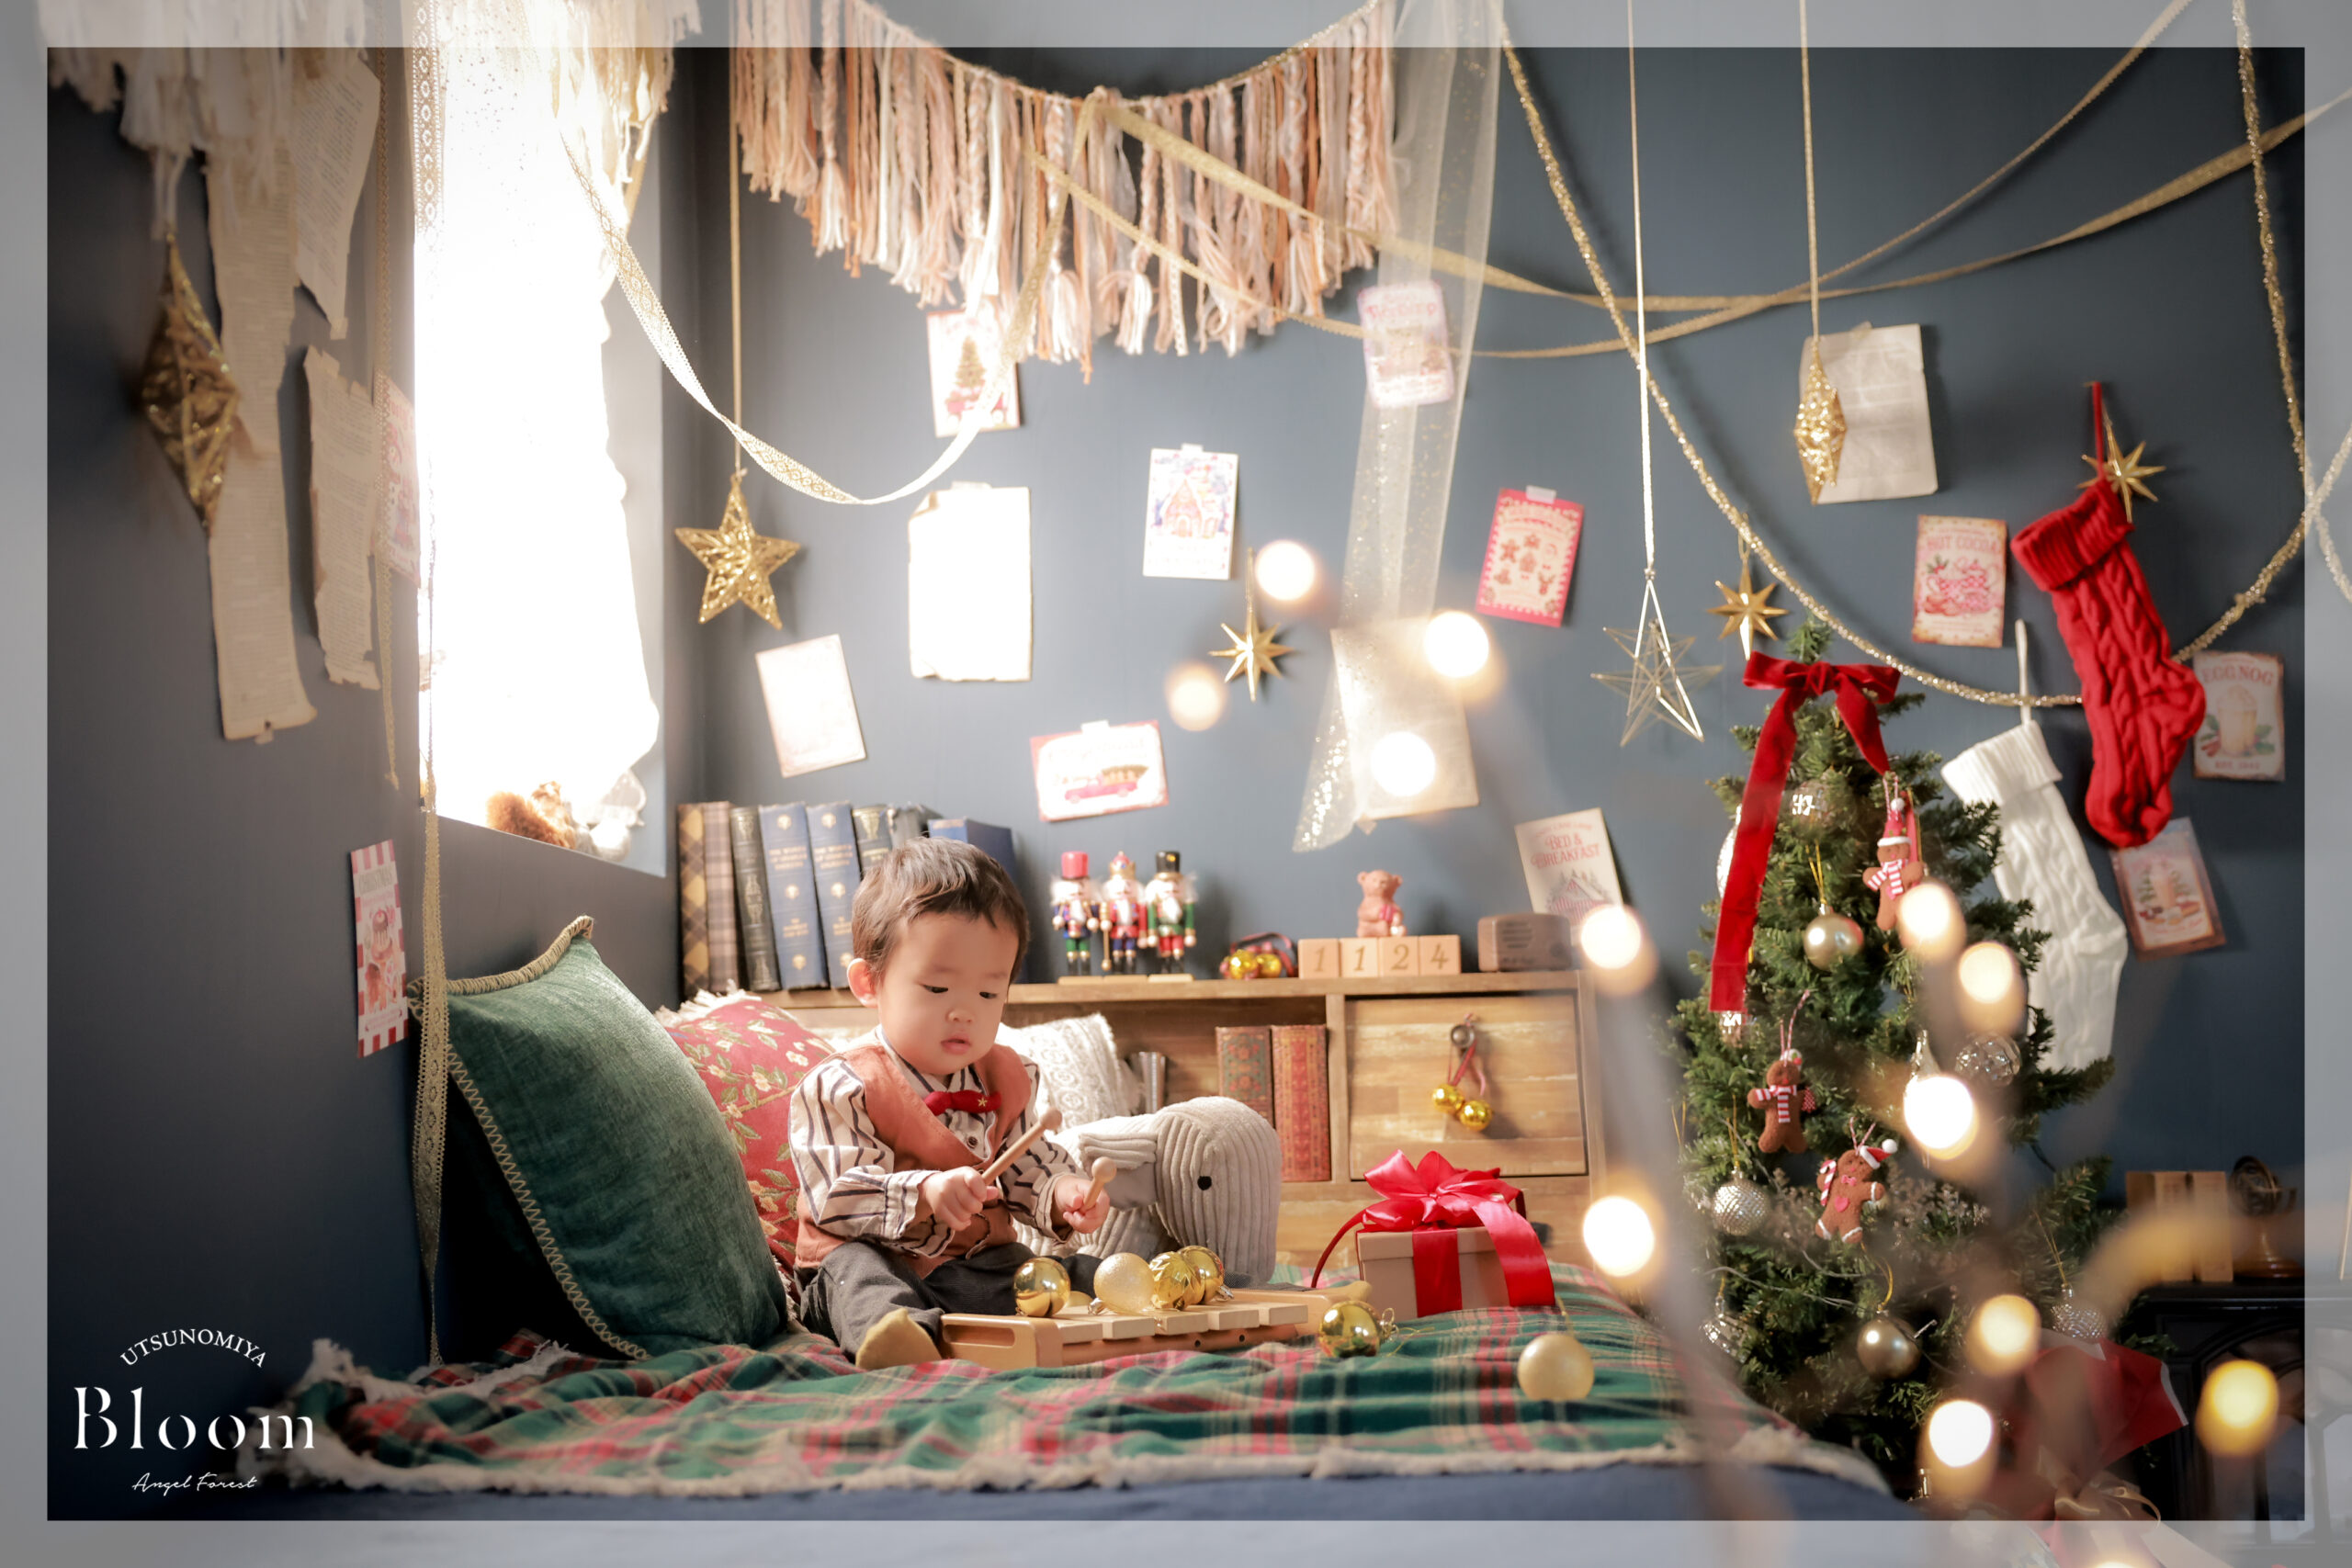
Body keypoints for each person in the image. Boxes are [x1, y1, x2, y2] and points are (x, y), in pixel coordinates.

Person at [787, 838, 1108, 1369]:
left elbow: (1027, 1164)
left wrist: (1063, 1192)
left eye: (988, 994)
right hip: (873, 1265)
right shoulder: (841, 1085)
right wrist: (925, 1192)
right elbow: (836, 1197)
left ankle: (1179, 1293)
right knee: (859, 1276)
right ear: (870, 982)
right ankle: (899, 1343)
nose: (965, 1012)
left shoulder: (1008, 1076)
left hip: (976, 1269)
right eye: (937, 989)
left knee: (1063, 1275)